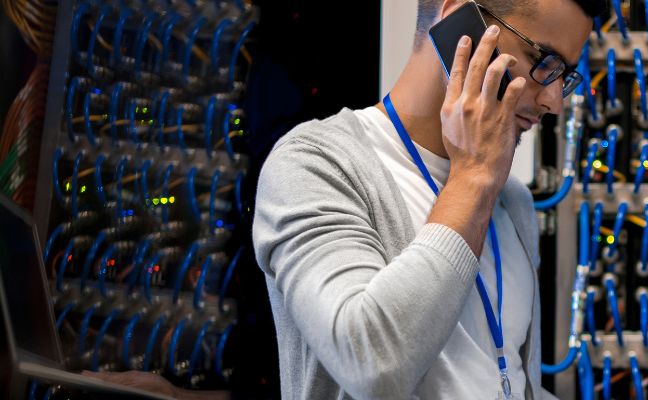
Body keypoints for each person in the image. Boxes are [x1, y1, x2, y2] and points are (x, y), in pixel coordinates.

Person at [251, 0, 603, 398]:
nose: (554, 101)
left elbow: (501, 379)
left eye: (564, 75)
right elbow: (372, 364)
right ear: (459, 24)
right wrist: (472, 176)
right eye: (543, 60)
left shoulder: (513, 202)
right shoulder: (316, 164)